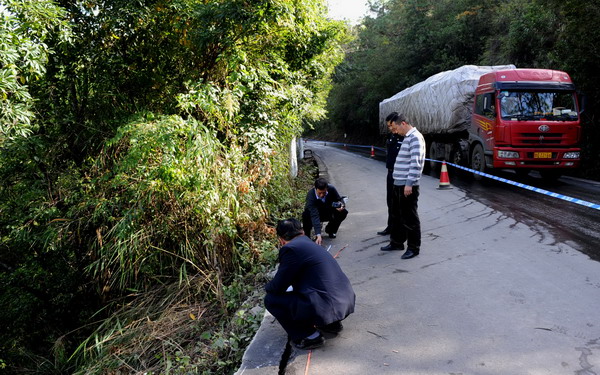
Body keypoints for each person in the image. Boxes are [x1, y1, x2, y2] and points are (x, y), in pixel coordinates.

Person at [264, 218, 356, 350]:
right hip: (345, 301)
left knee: (271, 300)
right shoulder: (309, 243)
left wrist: (267, 287)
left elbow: (278, 286)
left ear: (281, 239)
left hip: (327, 305)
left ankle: (309, 336)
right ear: (301, 231)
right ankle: (331, 324)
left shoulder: (290, 249)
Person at [381, 113, 426, 259]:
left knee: (409, 218)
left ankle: (414, 248)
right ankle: (397, 242)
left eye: (396, 128)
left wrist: (409, 184)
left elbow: (416, 163)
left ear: (403, 123)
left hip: (406, 186)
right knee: (397, 215)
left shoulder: (415, 138)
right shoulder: (407, 137)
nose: (395, 131)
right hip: (397, 183)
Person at [377, 112, 404, 236]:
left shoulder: (403, 138)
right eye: (388, 126)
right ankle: (391, 226)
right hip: (390, 173)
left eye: (391, 125)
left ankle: (400, 230)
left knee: (399, 204)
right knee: (390, 202)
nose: (390, 128)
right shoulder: (391, 137)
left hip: (399, 175)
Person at [302, 178, 348, 245]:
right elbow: (314, 215)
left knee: (343, 212)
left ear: (327, 188)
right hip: (315, 214)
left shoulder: (331, 189)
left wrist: (342, 205)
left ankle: (330, 230)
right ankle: (307, 236)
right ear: (315, 189)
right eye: (319, 193)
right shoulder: (310, 196)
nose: (321, 195)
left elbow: (339, 199)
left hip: (328, 212)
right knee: (305, 214)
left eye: (324, 192)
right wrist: (318, 234)